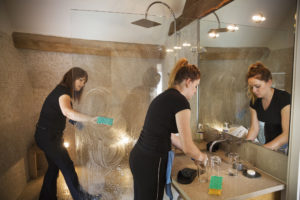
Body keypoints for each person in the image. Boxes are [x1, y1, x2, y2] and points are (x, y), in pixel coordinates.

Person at [129, 58, 208, 200]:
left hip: (139, 157)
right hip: (151, 162)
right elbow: (188, 147)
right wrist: (202, 157)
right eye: (196, 86)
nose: (195, 91)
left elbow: (170, 136)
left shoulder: (165, 96)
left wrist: (194, 154)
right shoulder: (181, 102)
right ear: (188, 82)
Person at [34, 67, 100, 200]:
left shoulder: (63, 91)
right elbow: (67, 112)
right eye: (80, 80)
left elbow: (69, 116)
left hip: (46, 136)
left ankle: (46, 197)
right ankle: (82, 198)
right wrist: (92, 118)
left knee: (53, 167)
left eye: (84, 82)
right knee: (67, 165)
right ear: (72, 77)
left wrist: (82, 127)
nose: (82, 84)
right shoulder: (63, 93)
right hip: (49, 137)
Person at [245, 62, 291, 151]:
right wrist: (246, 147)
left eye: (257, 86)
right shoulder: (255, 101)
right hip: (268, 146)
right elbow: (254, 129)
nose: (254, 90)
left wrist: (262, 150)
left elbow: (287, 134)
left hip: (285, 150)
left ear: (269, 82)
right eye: (251, 87)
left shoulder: (283, 98)